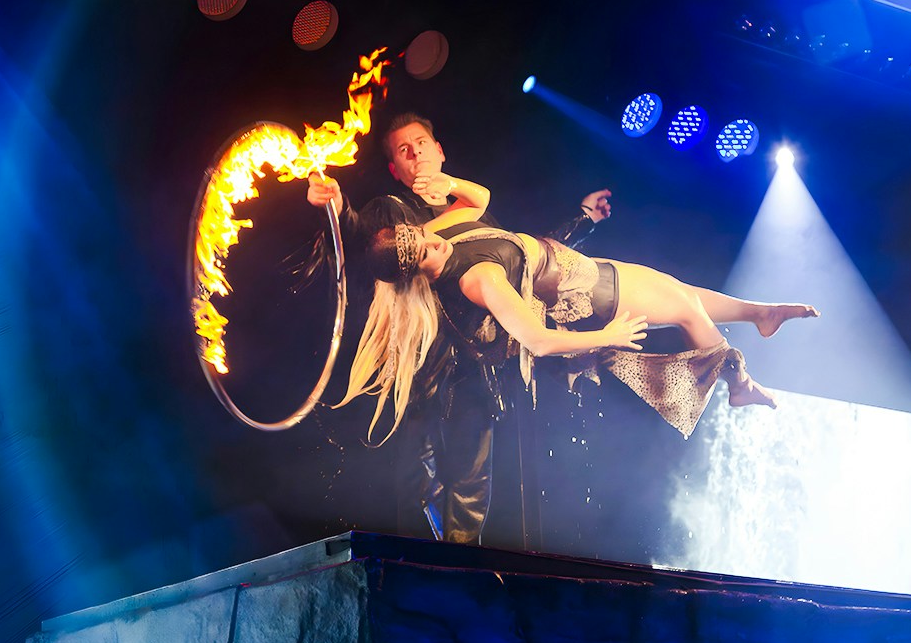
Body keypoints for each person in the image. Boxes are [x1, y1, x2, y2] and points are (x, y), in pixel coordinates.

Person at [306, 112, 611, 544]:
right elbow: (361, 241)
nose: (416, 154)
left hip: (476, 366)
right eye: (403, 151)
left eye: (421, 143)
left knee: (471, 487)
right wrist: (335, 208)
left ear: (440, 150)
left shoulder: (476, 216)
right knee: (416, 484)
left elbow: (531, 260)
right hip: (421, 365)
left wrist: (583, 219)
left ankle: (461, 579)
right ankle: (419, 576)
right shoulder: (390, 212)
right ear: (396, 169)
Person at [338, 173, 819, 444]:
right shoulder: (476, 280)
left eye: (423, 236)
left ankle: (759, 313)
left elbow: (478, 198)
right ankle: (739, 382)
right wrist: (603, 338)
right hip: (586, 296)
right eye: (423, 253)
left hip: (582, 269)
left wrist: (443, 180)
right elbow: (539, 340)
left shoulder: (446, 236)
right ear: (416, 273)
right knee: (688, 308)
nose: (432, 244)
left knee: (679, 291)